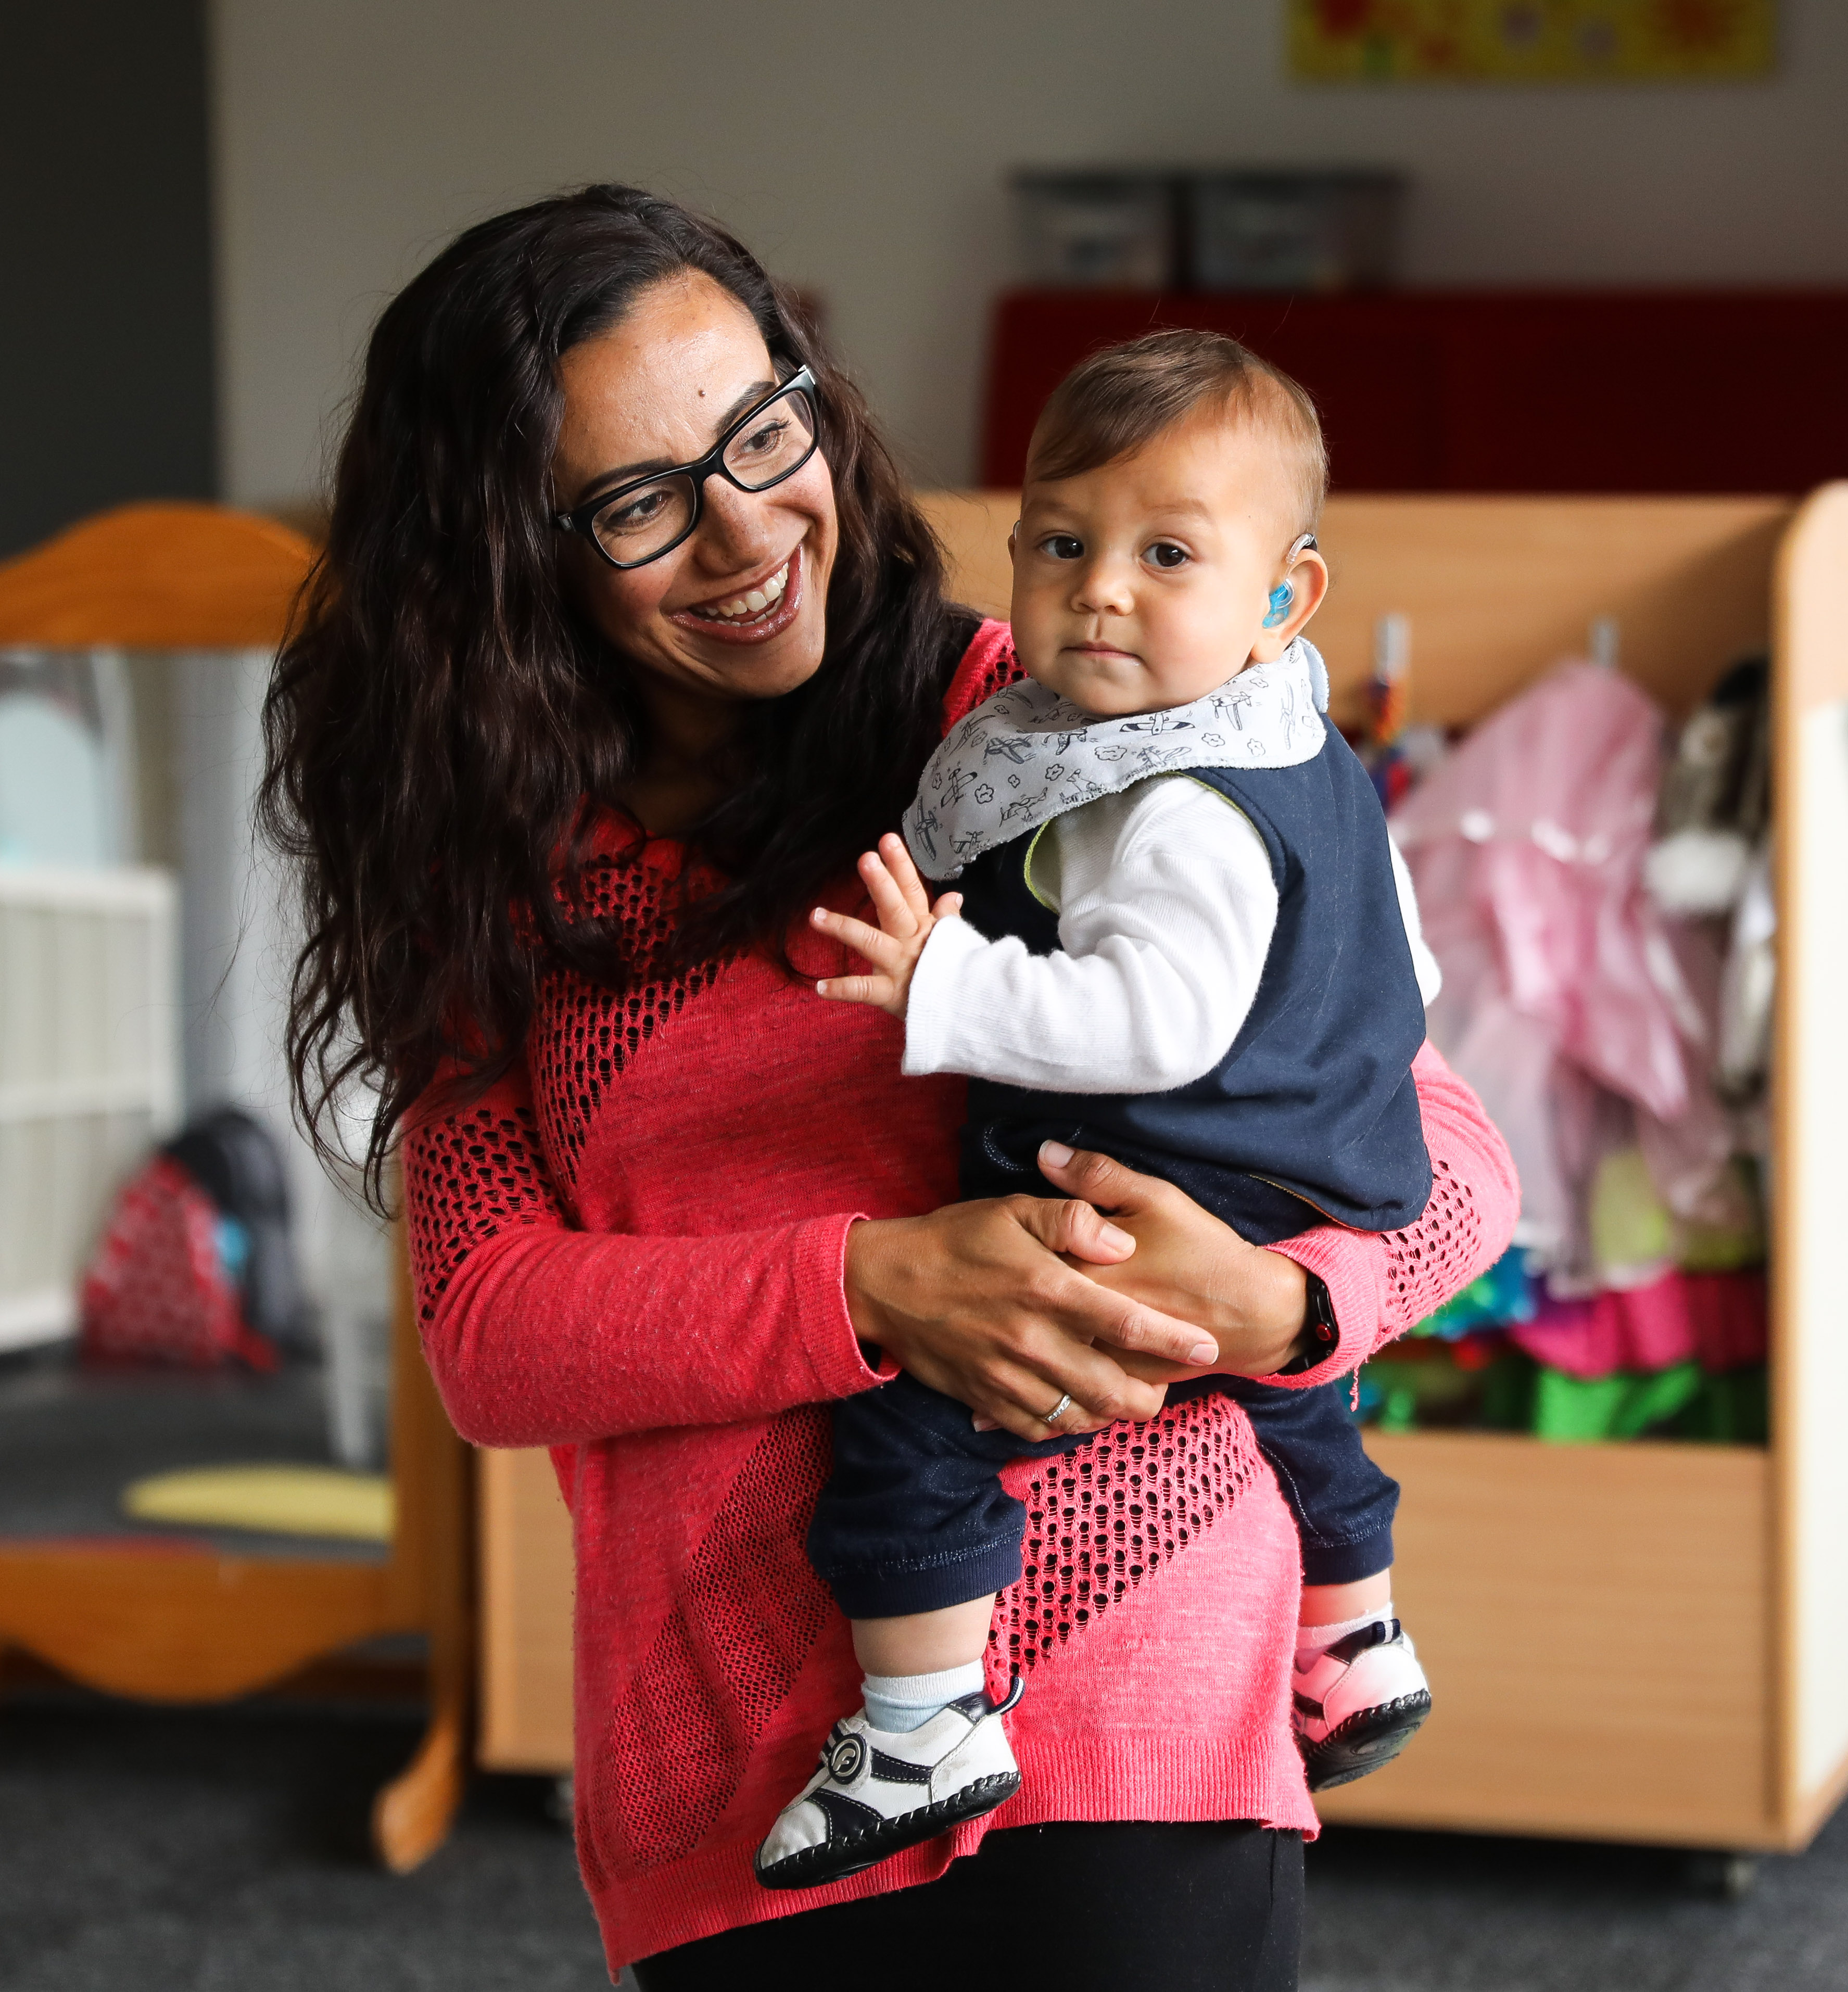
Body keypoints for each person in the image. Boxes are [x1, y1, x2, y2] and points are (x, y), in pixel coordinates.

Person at [263, 185, 1514, 1990]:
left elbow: (1449, 1148)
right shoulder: (491, 873)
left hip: (1130, 1684)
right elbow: (495, 1330)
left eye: (762, 433)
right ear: (504, 559)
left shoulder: (1044, 738)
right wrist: (874, 1283)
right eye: (637, 502)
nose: (749, 529)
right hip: (735, 1756)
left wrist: (1278, 1301)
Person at [756, 332, 1438, 1892]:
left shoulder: (1167, 795)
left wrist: (948, 981)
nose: (1104, 588)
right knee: (1294, 1395)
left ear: (1287, 598)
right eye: (1063, 543)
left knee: (916, 1421)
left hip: (1155, 1185)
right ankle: (1357, 1634)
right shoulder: (1298, 744)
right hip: (1310, 1169)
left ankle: (923, 1719)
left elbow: (1155, 1018)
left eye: (1168, 553)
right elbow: (1414, 966)